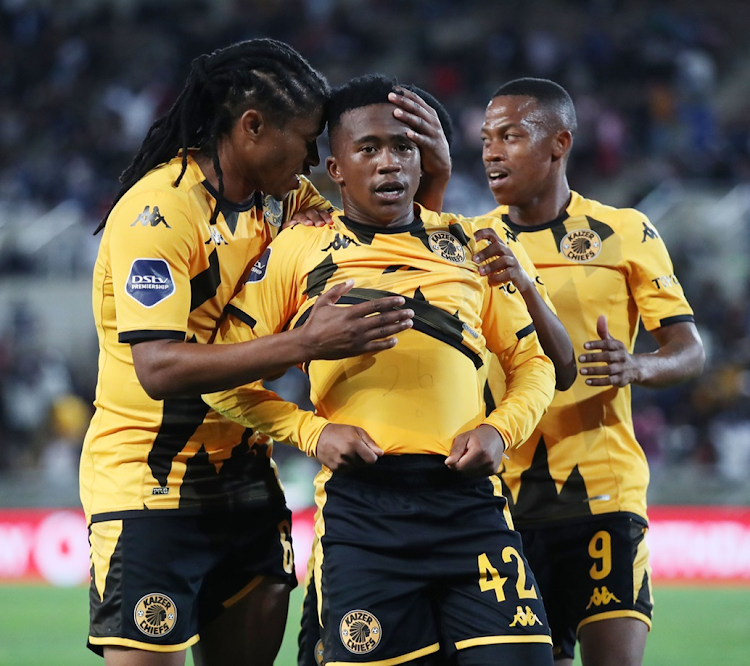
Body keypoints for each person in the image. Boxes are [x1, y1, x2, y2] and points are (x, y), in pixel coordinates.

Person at [80, 39, 419, 666]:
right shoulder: (159, 213)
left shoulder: (285, 199)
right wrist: (305, 342)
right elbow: (158, 369)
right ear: (252, 127)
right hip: (149, 489)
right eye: (307, 139)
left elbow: (383, 242)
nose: (315, 158)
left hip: (246, 481)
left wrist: (438, 176)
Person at [204, 74, 558, 666]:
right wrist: (312, 434)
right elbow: (221, 379)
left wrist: (502, 430)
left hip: (469, 505)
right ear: (336, 169)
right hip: (364, 512)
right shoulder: (297, 251)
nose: (389, 163)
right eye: (368, 149)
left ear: (424, 163)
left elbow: (533, 361)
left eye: (403, 147)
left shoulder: (474, 245)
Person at [458, 78, 705, 666]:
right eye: (487, 138)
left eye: (511, 136)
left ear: (558, 143)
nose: (492, 151)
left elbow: (690, 350)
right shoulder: (469, 243)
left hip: (604, 492)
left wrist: (637, 365)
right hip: (500, 503)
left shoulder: (625, 231)